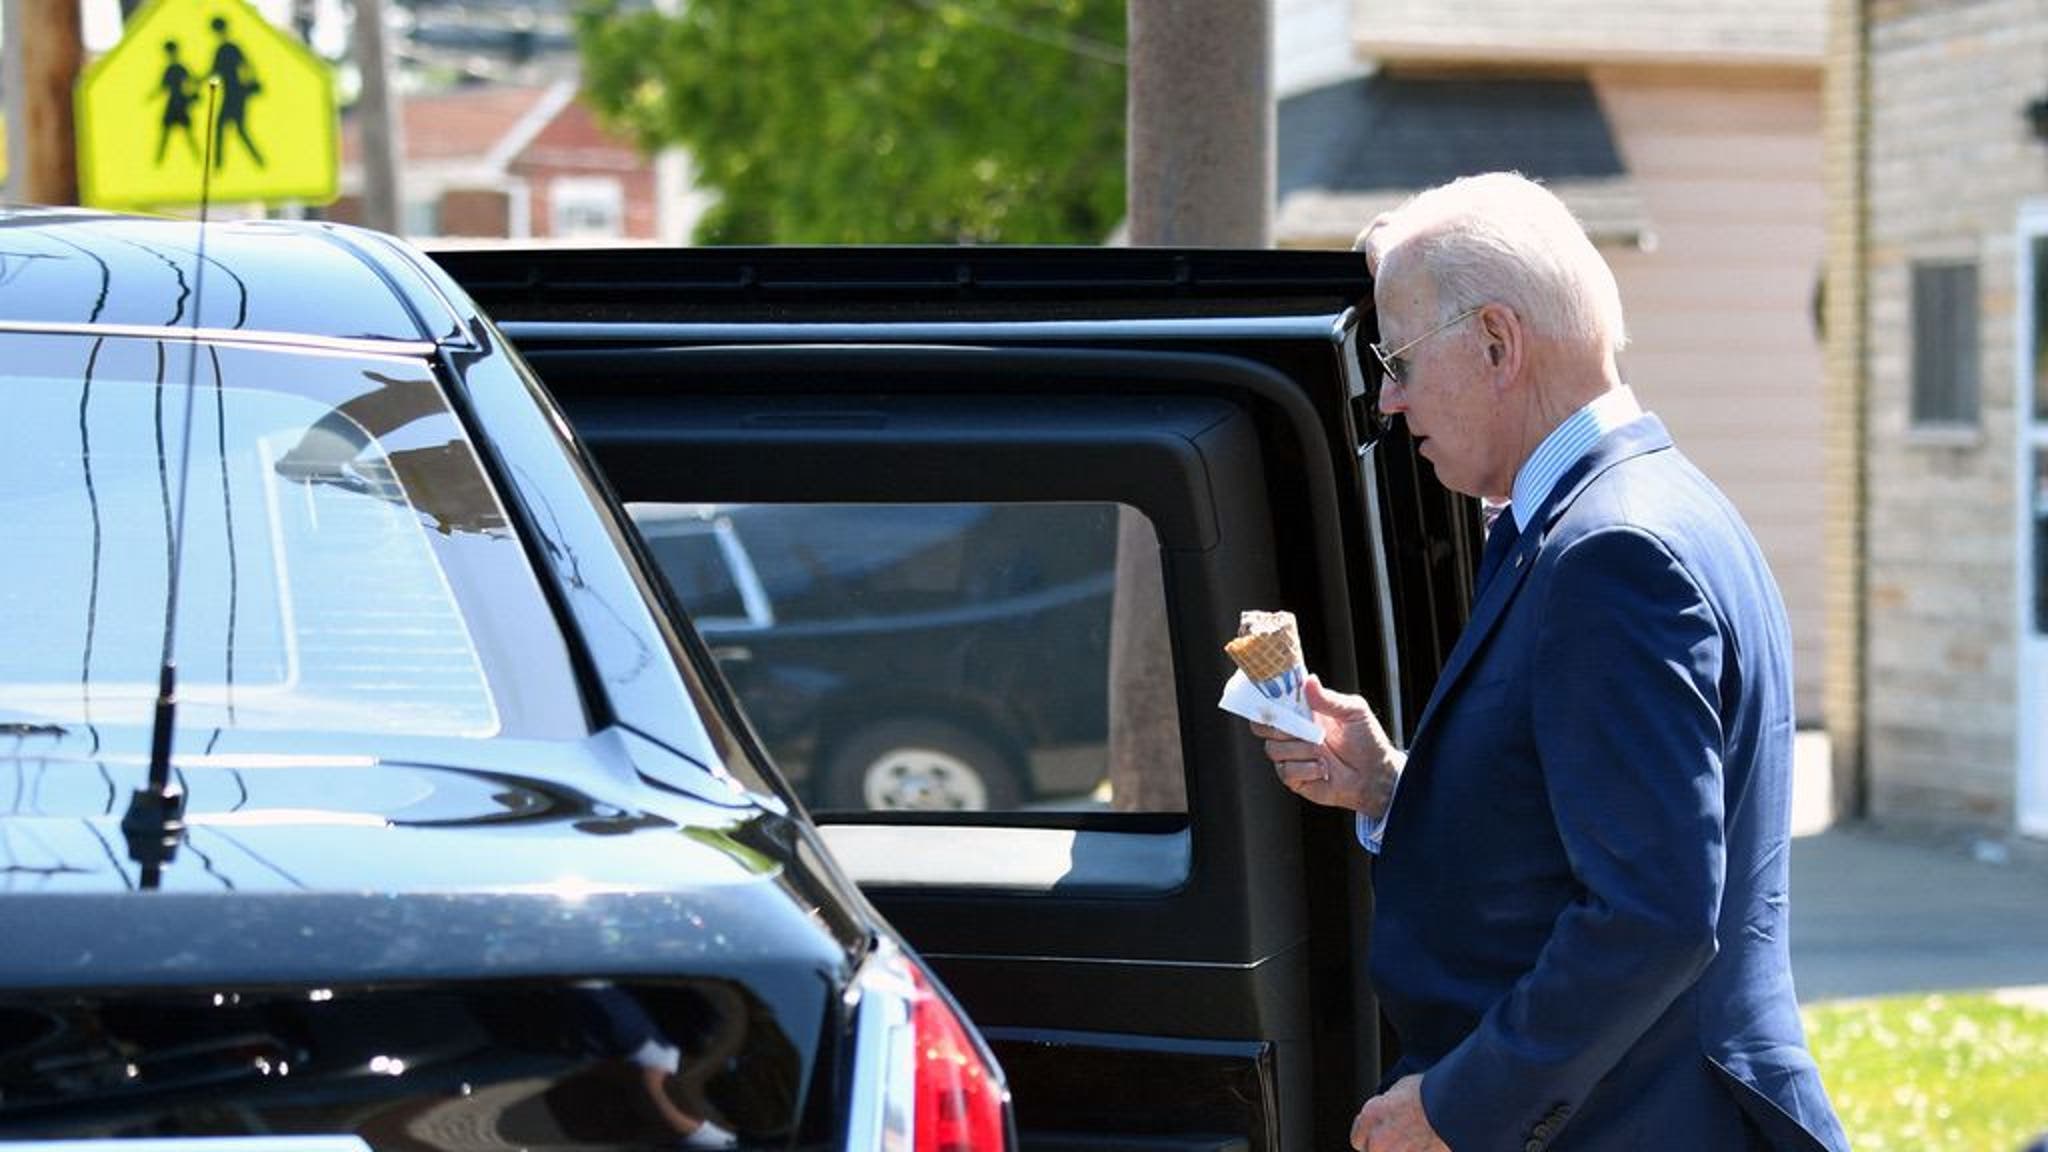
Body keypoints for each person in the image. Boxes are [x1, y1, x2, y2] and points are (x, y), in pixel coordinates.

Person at [1253, 172, 1849, 1152]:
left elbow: (1649, 915)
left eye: (1396, 359)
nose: (1390, 401)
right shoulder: (1638, 506)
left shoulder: (1611, 550)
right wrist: (1390, 788)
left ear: (1496, 342)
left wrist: (1455, 1104)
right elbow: (1586, 830)